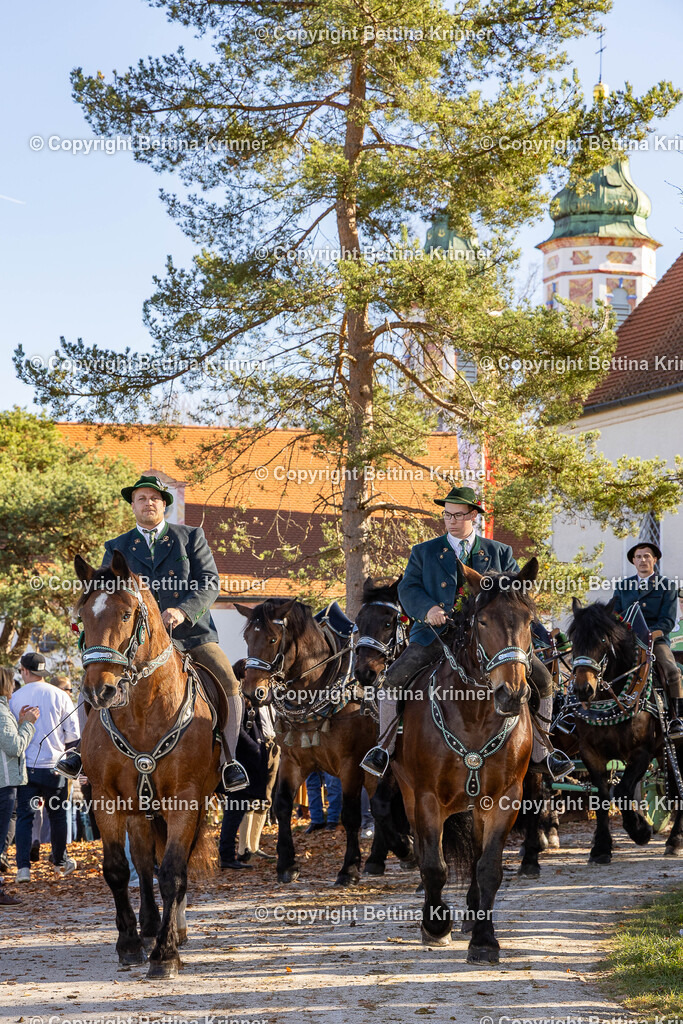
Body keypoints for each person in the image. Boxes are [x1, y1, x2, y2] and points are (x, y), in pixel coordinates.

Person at [360, 486, 571, 779]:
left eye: (458, 515)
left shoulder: (500, 552)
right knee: (393, 679)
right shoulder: (424, 552)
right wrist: (428, 610)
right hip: (437, 636)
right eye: (447, 515)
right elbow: (408, 588)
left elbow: (518, 590)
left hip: (493, 638)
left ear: (473, 515)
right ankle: (383, 748)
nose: (451, 521)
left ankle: (544, 752)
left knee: (545, 680)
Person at [55, 474, 248, 792]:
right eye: (142, 498)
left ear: (164, 506)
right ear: (133, 505)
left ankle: (229, 760)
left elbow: (209, 582)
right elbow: (103, 592)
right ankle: (80, 753)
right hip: (136, 643)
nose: (148, 503)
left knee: (228, 682)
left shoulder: (190, 538)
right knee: (93, 681)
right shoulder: (117, 547)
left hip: (192, 634)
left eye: (155, 498)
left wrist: (182, 610)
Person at [9, 652, 79, 882]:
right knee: (58, 815)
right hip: (56, 766)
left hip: (27, 766)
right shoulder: (61, 695)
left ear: (25, 671)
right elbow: (73, 736)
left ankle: (23, 868)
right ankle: (59, 861)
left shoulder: (15, 697)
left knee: (25, 816)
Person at [613, 542, 683, 740]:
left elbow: (667, 621)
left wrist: (648, 635)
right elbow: (615, 615)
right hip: (627, 640)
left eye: (647, 556)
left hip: (656, 641)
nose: (643, 560)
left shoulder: (667, 586)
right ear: (633, 561)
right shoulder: (623, 586)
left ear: (655, 560)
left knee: (672, 670)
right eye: (639, 557)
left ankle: (677, 718)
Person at [0, 666, 39, 904]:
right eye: (11, 682)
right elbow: (14, 747)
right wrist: (29, 724)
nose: (15, 685)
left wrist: (21, 720)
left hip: (5, 782)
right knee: (2, 837)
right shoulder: (2, 713)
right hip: (5, 783)